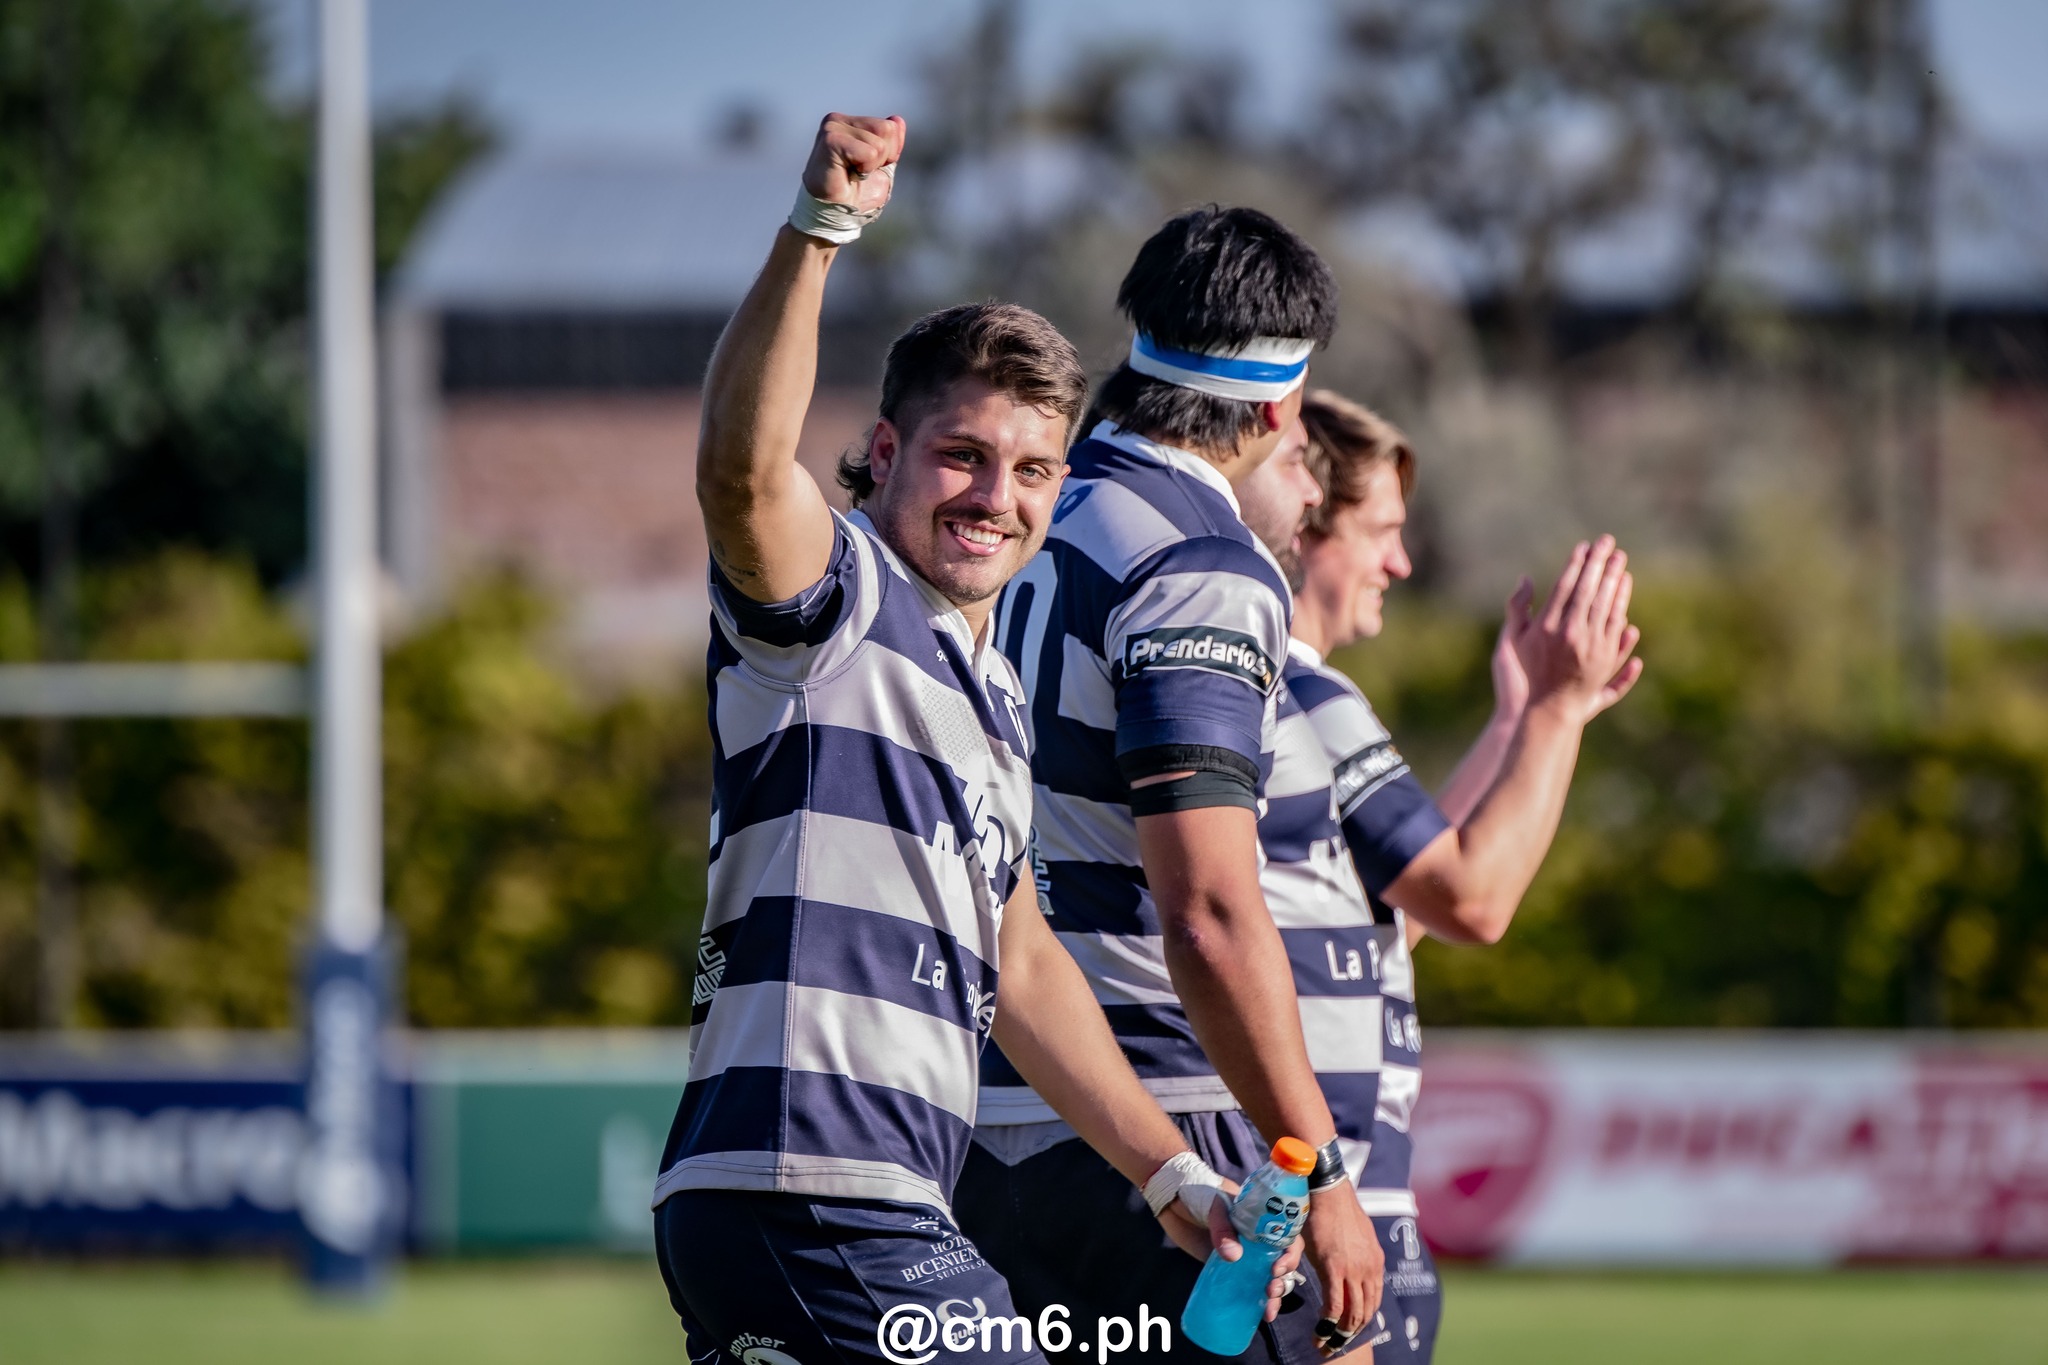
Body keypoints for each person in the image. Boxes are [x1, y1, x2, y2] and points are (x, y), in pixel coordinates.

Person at [655, 114, 1293, 1365]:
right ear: (883, 453)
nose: (995, 496)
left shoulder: (987, 692)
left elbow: (1020, 964)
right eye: (961, 456)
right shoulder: (837, 603)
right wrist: (819, 229)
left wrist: (1170, 1179)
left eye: (1030, 470)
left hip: (862, 1197)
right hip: (812, 1187)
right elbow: (739, 474)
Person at [956, 207, 1385, 1363]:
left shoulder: (1020, 512)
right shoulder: (1196, 557)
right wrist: (1324, 1170)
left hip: (976, 1106)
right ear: (1282, 404)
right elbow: (1204, 911)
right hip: (1151, 1128)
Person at [1234, 390, 1644, 1362]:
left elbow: (1392, 910)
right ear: (1302, 528)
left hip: (1339, 1199)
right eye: (1379, 530)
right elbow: (1472, 900)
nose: (1398, 562)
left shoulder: (1271, 691)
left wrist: (1512, 724)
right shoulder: (1302, 692)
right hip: (1329, 1202)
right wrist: (1555, 714)